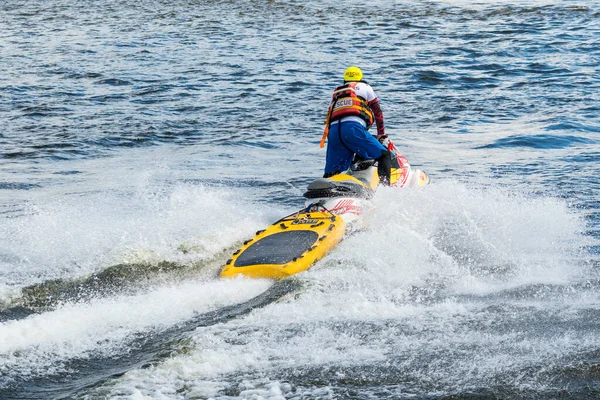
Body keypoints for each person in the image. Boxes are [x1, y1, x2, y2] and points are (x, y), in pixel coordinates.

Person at [320, 66, 392, 185]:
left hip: (333, 132)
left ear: (345, 80)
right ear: (360, 78)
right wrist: (381, 134)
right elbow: (377, 112)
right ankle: (385, 190)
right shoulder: (365, 87)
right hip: (352, 129)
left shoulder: (337, 92)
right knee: (384, 155)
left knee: (331, 173)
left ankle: (323, 197)